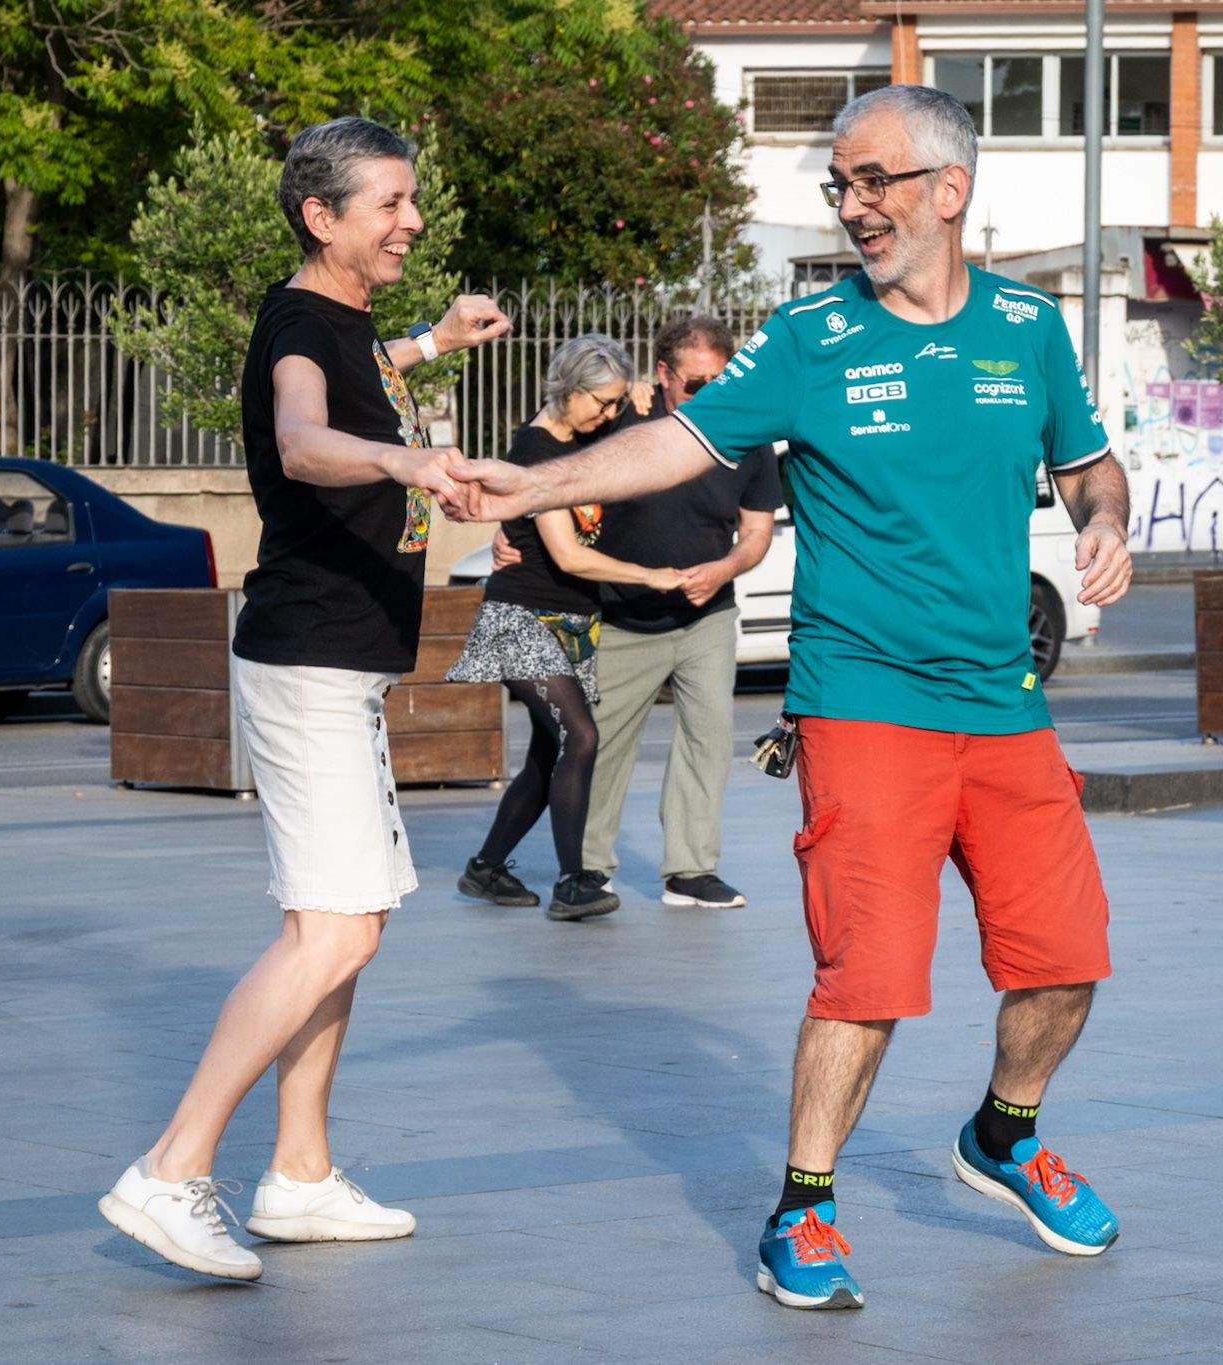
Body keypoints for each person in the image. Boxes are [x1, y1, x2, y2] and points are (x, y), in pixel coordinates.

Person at [449, 84, 1135, 1310]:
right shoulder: (811, 338)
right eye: (839, 183)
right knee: (867, 978)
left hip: (1003, 704)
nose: (852, 205)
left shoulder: (1028, 327)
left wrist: (1106, 521)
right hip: (863, 703)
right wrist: (530, 485)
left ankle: (1004, 1133)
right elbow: (681, 442)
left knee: (1065, 959)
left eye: (873, 180)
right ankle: (801, 1212)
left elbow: (1087, 464)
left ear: (949, 189)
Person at [98, 116, 509, 1281]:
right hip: (309, 663)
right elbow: (301, 438)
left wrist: (435, 341)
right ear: (321, 217)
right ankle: (170, 1169)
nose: (411, 221)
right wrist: (404, 460)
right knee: (336, 928)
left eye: (410, 199)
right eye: (389, 203)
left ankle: (300, 1173)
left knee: (338, 926)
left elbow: (360, 381)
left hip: (339, 663)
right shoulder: (296, 326)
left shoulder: (347, 326)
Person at [490, 314, 781, 910]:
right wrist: (511, 527)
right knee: (601, 744)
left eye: (720, 381)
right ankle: (588, 868)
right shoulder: (621, 418)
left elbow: (756, 534)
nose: (709, 394)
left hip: (708, 616)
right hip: (622, 615)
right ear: (664, 374)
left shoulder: (748, 439)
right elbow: (548, 461)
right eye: (695, 384)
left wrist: (725, 568)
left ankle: (691, 871)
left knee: (708, 740)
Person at [447, 335, 686, 923]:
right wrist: (650, 577)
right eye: (601, 403)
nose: (609, 414)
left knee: (548, 751)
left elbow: (634, 421)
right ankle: (573, 881)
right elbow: (569, 555)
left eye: (614, 403)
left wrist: (635, 395)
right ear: (568, 390)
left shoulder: (585, 431)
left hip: (572, 622)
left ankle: (486, 868)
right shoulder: (538, 451)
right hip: (522, 615)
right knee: (580, 736)